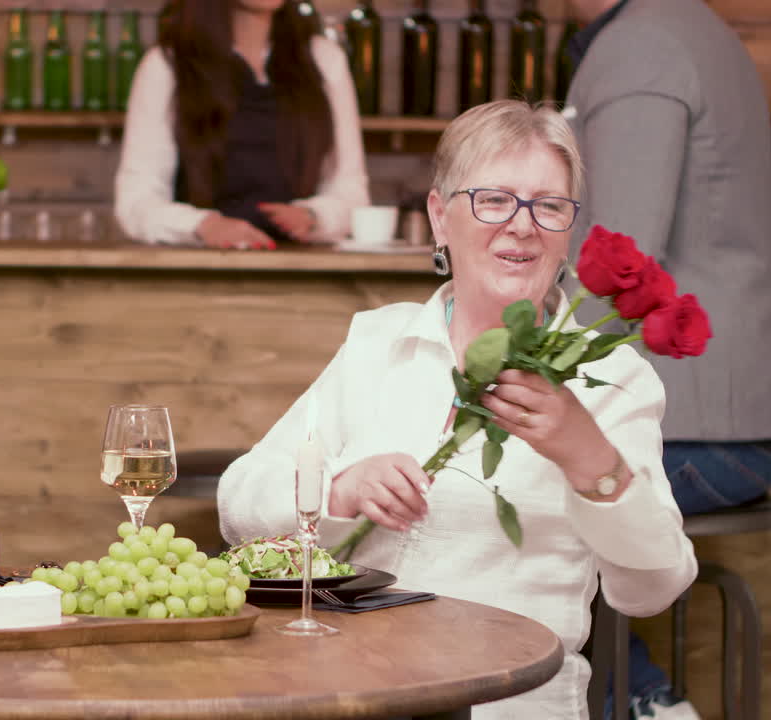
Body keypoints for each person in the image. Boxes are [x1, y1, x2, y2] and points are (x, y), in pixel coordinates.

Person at [218, 100, 698, 720]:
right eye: (494, 199)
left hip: (512, 707)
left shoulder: (611, 378)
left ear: (567, 229)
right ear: (440, 218)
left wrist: (590, 459)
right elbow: (239, 504)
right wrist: (337, 490)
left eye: (548, 205)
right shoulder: (378, 343)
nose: (522, 226)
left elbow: (654, 588)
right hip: (354, 695)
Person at [563, 1, 771, 717]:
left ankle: (641, 700)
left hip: (696, 428)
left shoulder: (640, 46)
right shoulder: (691, 27)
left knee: (493, 500)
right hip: (733, 425)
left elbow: (616, 257)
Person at [114, 0, 369, 250]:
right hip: (198, 274)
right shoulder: (168, 63)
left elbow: (351, 190)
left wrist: (314, 216)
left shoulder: (324, 59)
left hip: (306, 273)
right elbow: (136, 200)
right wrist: (203, 225)